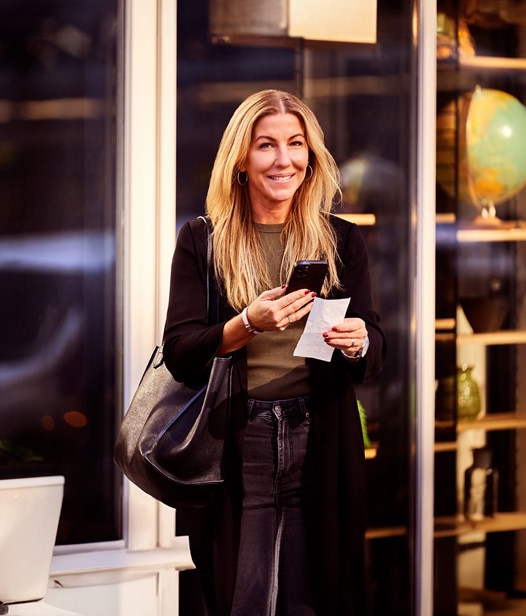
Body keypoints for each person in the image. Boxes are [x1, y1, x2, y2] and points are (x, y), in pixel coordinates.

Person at [163, 89, 384, 616]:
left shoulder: (341, 241)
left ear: (310, 157)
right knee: (246, 598)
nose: (283, 160)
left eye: (295, 144)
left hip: (321, 437)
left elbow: (374, 352)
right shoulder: (204, 241)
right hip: (241, 442)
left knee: (316, 597)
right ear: (241, 158)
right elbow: (180, 353)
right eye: (266, 145)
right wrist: (245, 325)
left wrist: (359, 341)